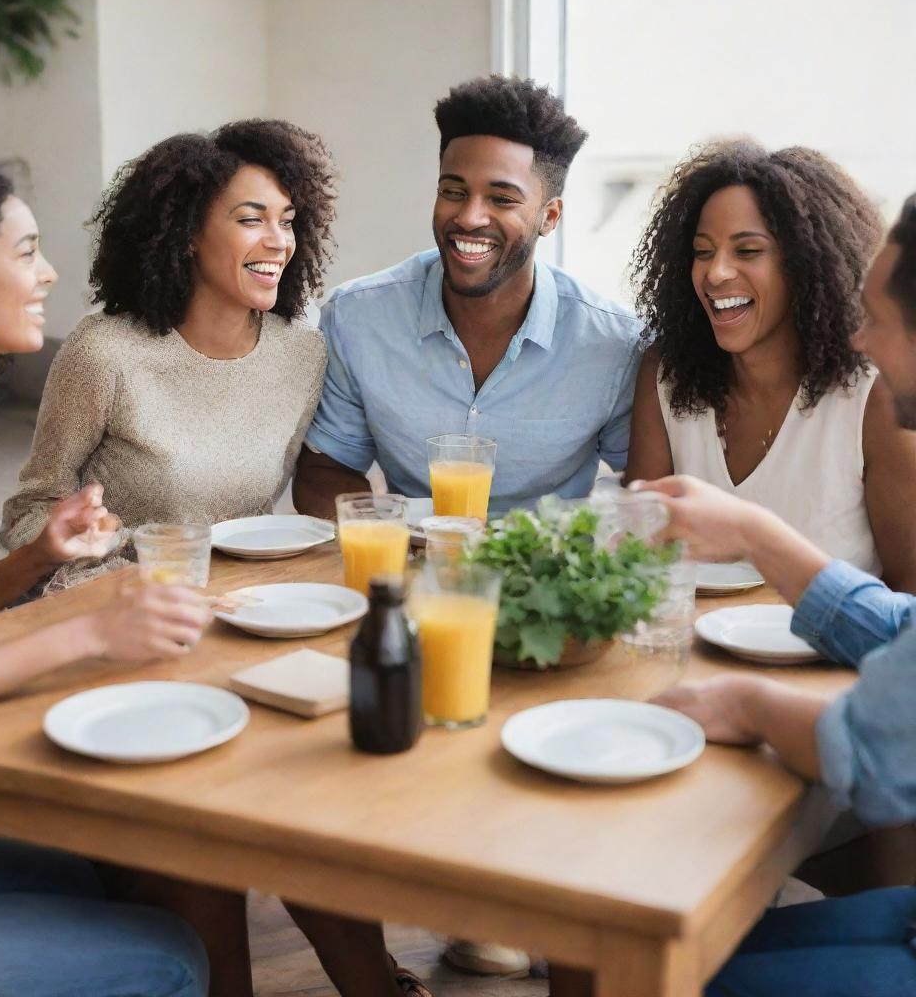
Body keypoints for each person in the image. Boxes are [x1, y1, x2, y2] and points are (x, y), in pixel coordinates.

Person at [562, 196, 916, 996]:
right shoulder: (674, 374)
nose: (861, 337)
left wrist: (752, 706)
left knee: (639, 968)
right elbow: (905, 629)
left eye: (880, 317)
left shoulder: (863, 399)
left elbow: (877, 747)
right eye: (703, 249)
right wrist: (760, 536)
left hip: (849, 789)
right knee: (625, 944)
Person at [0, 162, 214, 997]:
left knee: (104, 877)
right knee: (170, 958)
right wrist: (89, 632)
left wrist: (38, 561)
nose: (49, 273)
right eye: (27, 251)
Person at [0, 119, 335, 586]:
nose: (279, 241)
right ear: (188, 233)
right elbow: (32, 512)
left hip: (247, 602)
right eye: (251, 219)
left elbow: (259, 516)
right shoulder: (105, 352)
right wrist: (131, 583)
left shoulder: (302, 353)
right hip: (121, 603)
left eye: (287, 220)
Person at [293, 75, 642, 522]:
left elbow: (644, 488)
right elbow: (325, 470)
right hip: (416, 566)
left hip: (548, 577)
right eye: (453, 192)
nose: (470, 217)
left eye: (501, 199)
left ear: (549, 216)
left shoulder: (614, 344)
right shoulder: (357, 319)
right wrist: (396, 534)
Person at [625, 140, 916, 590]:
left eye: (747, 251)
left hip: (836, 658)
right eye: (703, 251)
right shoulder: (666, 375)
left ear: (804, 265)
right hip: (693, 654)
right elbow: (637, 552)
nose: (716, 272)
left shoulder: (873, 397)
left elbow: (910, 598)